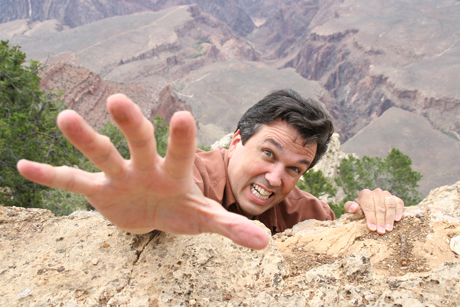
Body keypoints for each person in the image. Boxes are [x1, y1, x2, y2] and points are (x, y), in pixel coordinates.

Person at [17, 89, 404, 250]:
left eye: (295, 169)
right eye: (268, 154)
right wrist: (137, 220)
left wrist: (368, 214)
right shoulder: (188, 179)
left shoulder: (308, 213)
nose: (276, 179)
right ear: (235, 140)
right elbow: (157, 207)